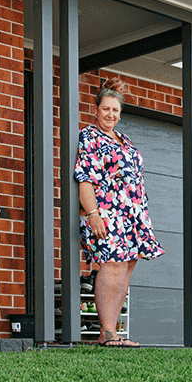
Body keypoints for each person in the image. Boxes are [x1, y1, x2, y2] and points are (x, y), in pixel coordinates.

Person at [74, 79, 165, 347]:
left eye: (115, 110)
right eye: (105, 109)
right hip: (107, 212)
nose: (110, 115)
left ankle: (111, 331)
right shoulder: (90, 136)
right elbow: (85, 178)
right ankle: (107, 330)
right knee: (112, 266)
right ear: (96, 110)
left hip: (132, 214)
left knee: (125, 268)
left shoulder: (124, 140)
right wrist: (93, 214)